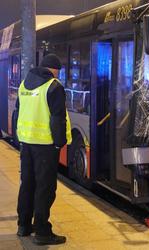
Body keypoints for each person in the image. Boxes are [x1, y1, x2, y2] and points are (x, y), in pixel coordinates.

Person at [15, 54, 72, 245]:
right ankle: (42, 232)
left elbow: (17, 112)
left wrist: (19, 138)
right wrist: (59, 143)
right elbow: (58, 118)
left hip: (26, 143)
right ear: (55, 70)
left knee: (27, 184)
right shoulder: (54, 86)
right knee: (45, 188)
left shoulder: (24, 84)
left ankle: (23, 225)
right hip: (45, 146)